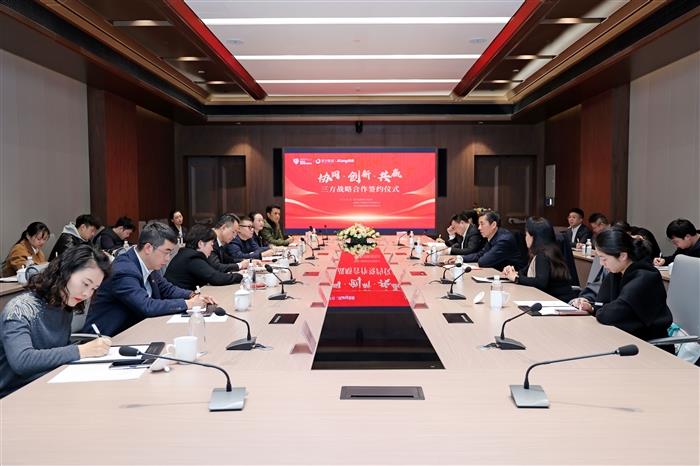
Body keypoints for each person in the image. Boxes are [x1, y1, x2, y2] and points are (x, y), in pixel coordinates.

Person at [0, 245, 112, 397]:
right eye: (86, 284)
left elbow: (58, 351)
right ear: (65, 272)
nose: (87, 293)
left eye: (93, 288)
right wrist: (81, 351)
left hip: (48, 384)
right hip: (13, 395)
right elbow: (22, 361)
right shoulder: (19, 309)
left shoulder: (63, 305)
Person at [84, 222, 214, 337]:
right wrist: (188, 304)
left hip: (136, 331)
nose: (168, 258)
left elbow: (166, 288)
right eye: (166, 252)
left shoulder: (148, 264)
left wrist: (192, 295)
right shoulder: (123, 270)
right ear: (148, 248)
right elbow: (146, 306)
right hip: (108, 339)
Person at [578, 228, 673, 349]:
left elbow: (609, 314)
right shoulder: (617, 272)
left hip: (647, 345)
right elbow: (601, 305)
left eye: (604, 258)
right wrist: (590, 307)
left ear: (623, 255)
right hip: (622, 337)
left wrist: (600, 309)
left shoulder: (645, 277)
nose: (601, 263)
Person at [502, 217, 576, 302]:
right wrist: (512, 272)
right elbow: (525, 272)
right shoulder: (547, 250)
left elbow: (540, 283)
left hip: (558, 302)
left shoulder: (543, 255)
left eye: (526, 234)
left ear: (534, 237)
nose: (525, 238)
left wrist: (516, 278)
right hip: (550, 299)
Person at [165, 224, 242, 290]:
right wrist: (240, 276)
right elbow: (216, 278)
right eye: (211, 244)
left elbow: (213, 272)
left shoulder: (187, 254)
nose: (212, 249)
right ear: (200, 244)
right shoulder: (192, 258)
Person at [453, 211, 526, 271]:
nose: (479, 228)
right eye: (479, 224)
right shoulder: (493, 236)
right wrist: (460, 258)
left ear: (493, 225)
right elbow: (480, 254)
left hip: (514, 278)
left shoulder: (504, 240)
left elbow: (483, 261)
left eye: (482, 224)